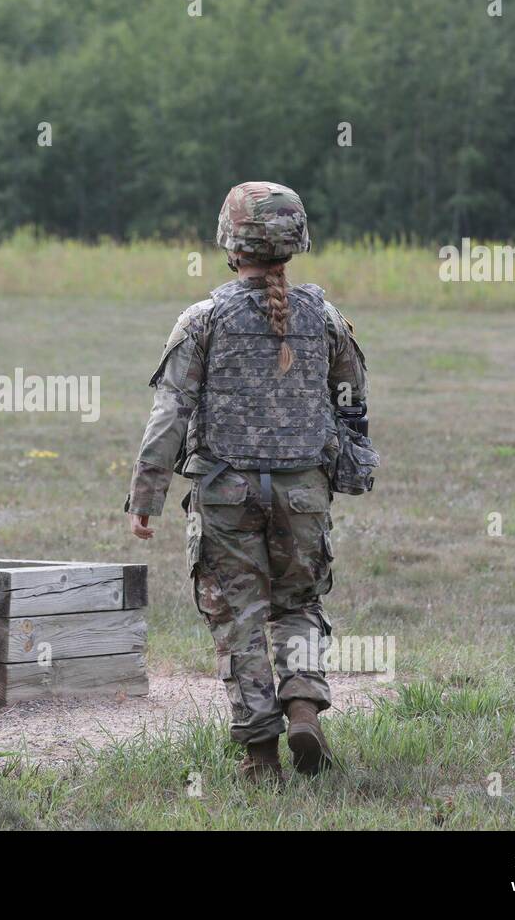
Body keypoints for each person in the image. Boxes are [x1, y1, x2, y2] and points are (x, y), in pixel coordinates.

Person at [125, 182, 368, 786]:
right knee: (300, 606)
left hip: (226, 495)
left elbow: (170, 416)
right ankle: (304, 705)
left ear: (231, 243)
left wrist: (146, 497)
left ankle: (260, 758)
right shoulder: (327, 318)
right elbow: (350, 402)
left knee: (239, 618)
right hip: (303, 492)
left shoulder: (204, 319)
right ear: (296, 241)